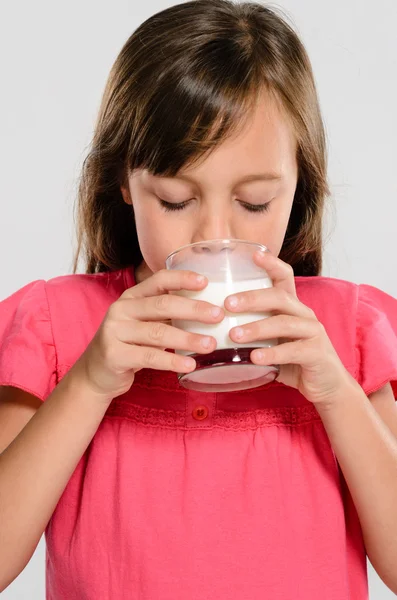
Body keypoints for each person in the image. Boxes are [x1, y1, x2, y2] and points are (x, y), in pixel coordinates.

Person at [0, 0, 397, 597]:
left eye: (256, 202)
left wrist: (336, 393)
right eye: (177, 200)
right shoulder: (58, 328)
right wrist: (88, 383)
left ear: (300, 185)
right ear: (125, 181)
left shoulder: (349, 332)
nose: (214, 235)